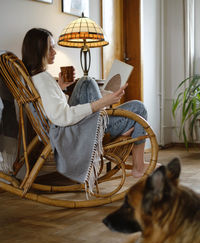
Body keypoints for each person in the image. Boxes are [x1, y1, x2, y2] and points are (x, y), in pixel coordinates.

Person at [22, 28, 148, 179]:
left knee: (86, 81)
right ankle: (138, 166)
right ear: (38, 50)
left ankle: (112, 122)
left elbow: (53, 108)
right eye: (50, 48)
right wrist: (101, 103)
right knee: (138, 108)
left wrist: (60, 88)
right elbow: (62, 117)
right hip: (71, 132)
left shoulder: (37, 77)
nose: (54, 52)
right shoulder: (42, 79)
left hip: (71, 127)